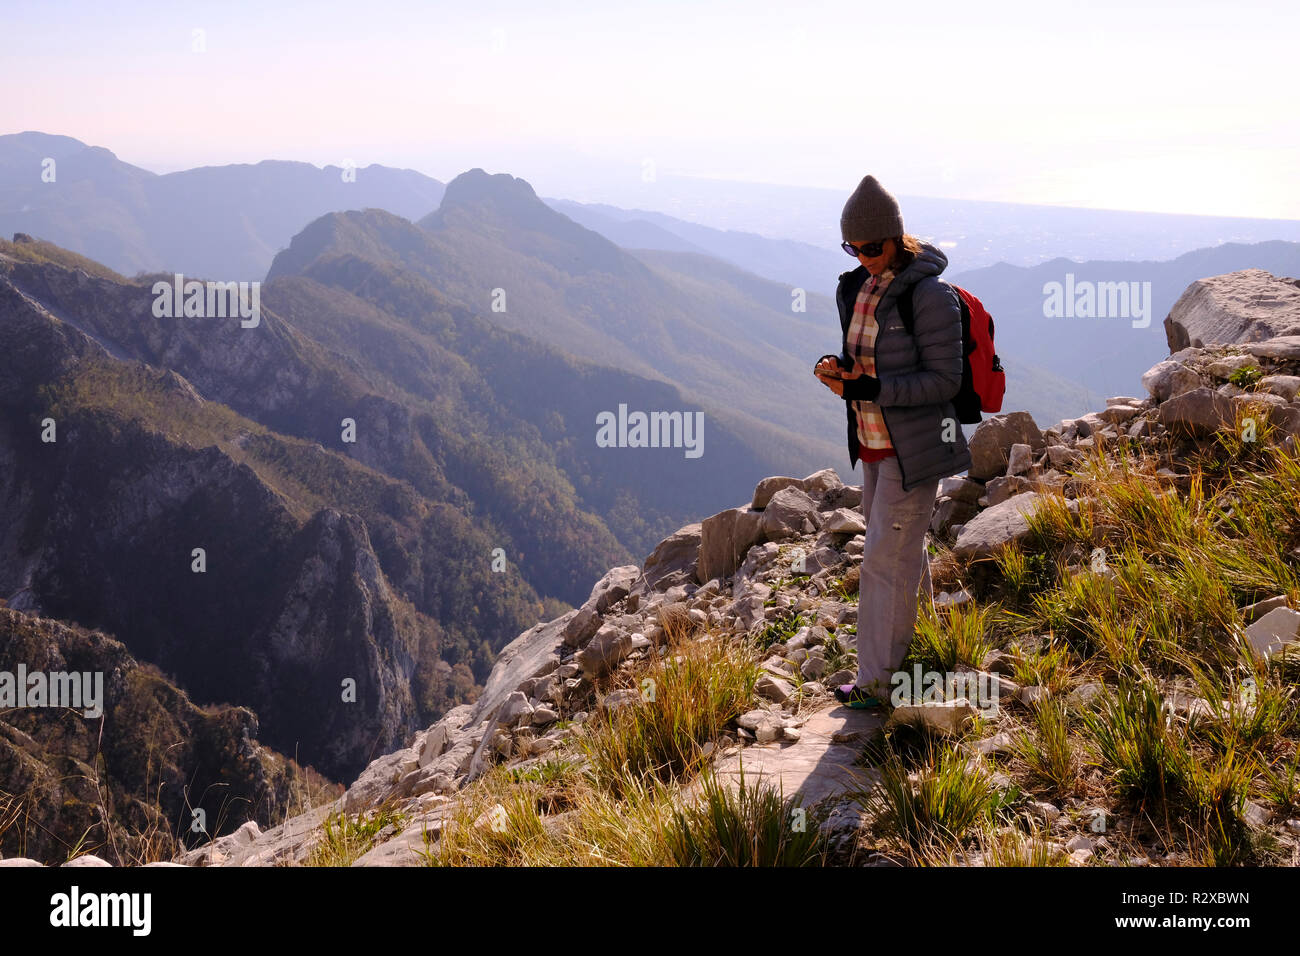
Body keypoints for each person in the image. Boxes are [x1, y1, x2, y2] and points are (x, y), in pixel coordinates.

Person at [814, 174, 972, 708]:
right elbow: (869, 364)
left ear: (897, 238)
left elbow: (943, 381)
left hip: (915, 449)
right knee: (902, 553)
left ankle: (878, 685)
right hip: (874, 444)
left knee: (883, 561)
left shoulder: (930, 297)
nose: (863, 257)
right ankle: (924, 649)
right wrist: (843, 372)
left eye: (872, 247)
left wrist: (870, 386)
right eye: (852, 248)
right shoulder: (855, 288)